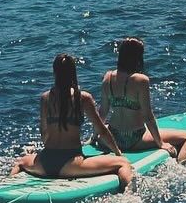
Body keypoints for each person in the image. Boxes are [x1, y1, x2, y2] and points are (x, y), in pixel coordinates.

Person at [11, 53, 135, 189]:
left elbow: (44, 133)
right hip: (71, 164)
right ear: (73, 72)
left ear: (55, 72)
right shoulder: (82, 97)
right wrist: (118, 153)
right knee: (122, 163)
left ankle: (8, 185)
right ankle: (129, 193)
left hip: (44, 163)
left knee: (20, 161)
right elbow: (101, 130)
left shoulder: (45, 98)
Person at [97, 37, 186, 162]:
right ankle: (182, 167)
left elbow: (102, 112)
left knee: (106, 126)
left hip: (113, 137)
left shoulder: (107, 77)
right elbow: (148, 116)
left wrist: (96, 136)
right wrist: (160, 143)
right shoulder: (141, 80)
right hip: (135, 139)